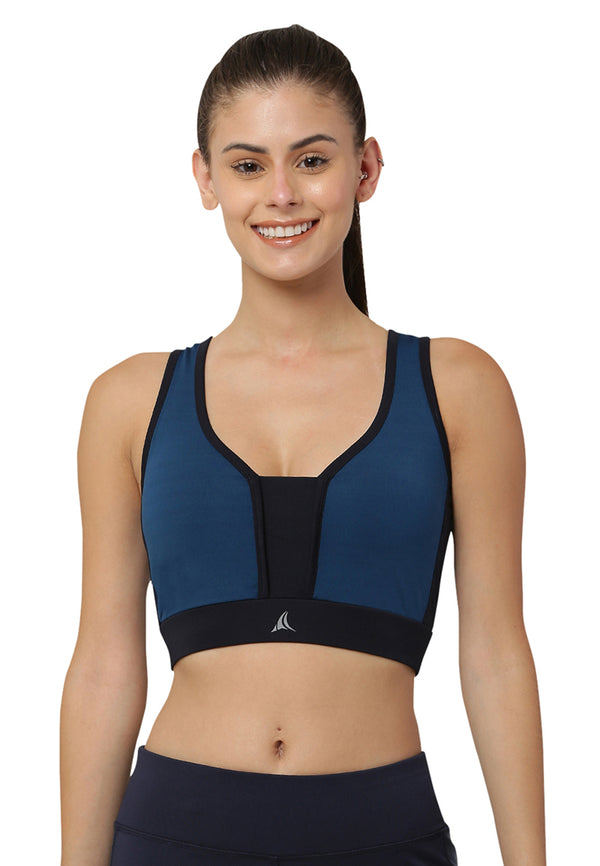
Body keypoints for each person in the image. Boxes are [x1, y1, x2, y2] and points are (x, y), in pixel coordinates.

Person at [59, 23, 546, 866]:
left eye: (311, 160)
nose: (281, 194)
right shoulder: (128, 402)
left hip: (381, 833)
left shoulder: (458, 387)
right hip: (174, 832)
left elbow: (496, 653)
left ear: (366, 168)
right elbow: (104, 662)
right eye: (248, 165)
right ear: (206, 179)